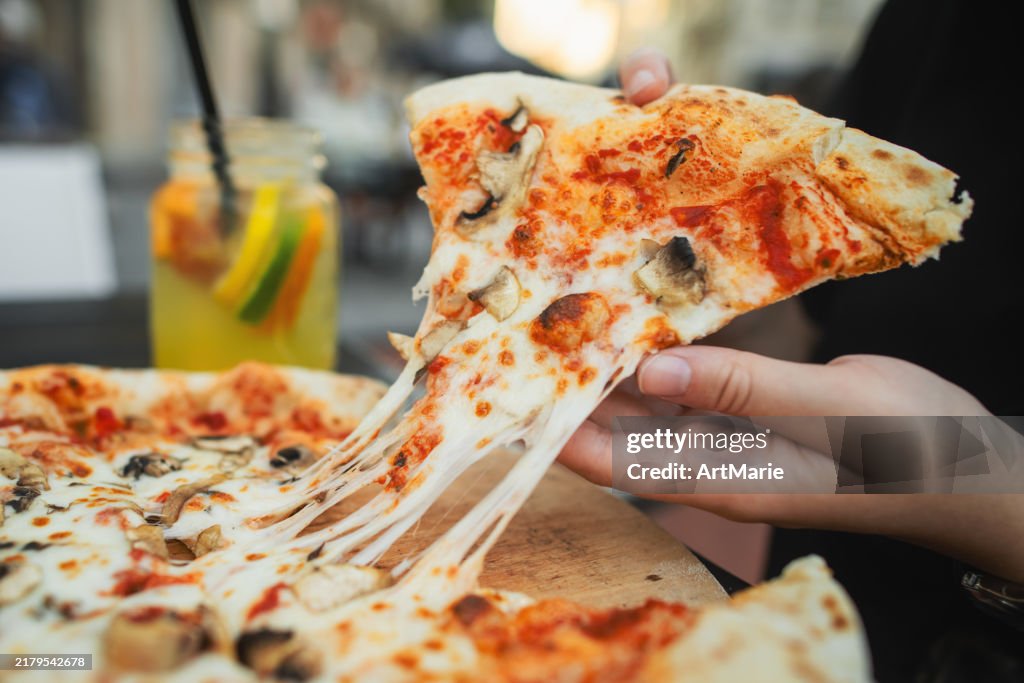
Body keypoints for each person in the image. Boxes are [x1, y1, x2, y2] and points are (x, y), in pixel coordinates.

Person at [559, 3, 1023, 680]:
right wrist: (679, 224)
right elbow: (813, 314)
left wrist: (984, 488)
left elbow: (965, 470)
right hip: (823, 611)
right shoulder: (935, 19)